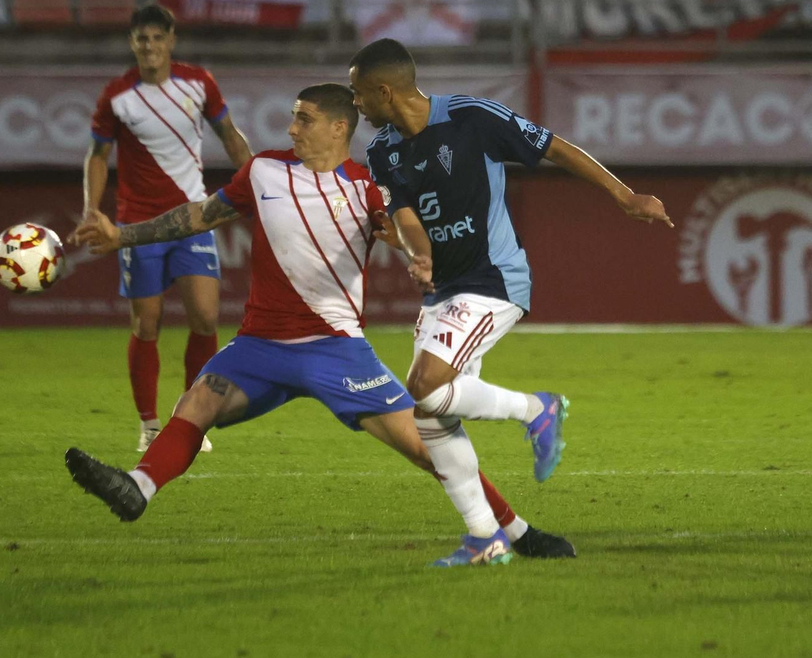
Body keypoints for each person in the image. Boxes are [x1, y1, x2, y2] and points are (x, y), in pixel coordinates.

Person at [66, 84, 523, 567]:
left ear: (338, 127)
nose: (291, 128)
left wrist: (417, 254)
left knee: (426, 447)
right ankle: (137, 487)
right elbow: (200, 216)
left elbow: (406, 228)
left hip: (337, 349)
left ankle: (513, 529)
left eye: (304, 119)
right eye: (293, 117)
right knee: (197, 401)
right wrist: (123, 236)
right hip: (260, 345)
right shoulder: (264, 170)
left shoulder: (367, 186)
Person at [347, 38, 674, 559]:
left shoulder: (471, 117)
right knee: (430, 414)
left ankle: (536, 409)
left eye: (359, 94)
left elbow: (555, 147)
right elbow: (406, 213)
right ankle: (486, 538)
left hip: (492, 280)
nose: (355, 105)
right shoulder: (382, 151)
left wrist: (624, 195)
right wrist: (418, 252)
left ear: (384, 90)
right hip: (442, 293)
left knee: (425, 385)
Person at [78, 5, 252, 454]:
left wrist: (259, 183)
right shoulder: (118, 96)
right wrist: (90, 209)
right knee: (147, 323)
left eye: (157, 38)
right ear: (132, 44)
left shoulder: (199, 83)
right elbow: (97, 156)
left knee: (206, 317)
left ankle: (192, 418)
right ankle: (150, 424)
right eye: (141, 39)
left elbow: (229, 134)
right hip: (138, 225)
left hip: (194, 218)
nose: (150, 46)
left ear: (171, 40)